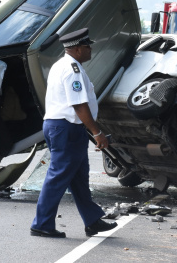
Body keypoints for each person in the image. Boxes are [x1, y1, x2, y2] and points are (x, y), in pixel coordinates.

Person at [31, 28, 118, 238]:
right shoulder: (72, 70)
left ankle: (92, 220)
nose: (91, 50)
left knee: (79, 177)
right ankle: (41, 224)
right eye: (88, 46)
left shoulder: (63, 65)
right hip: (66, 127)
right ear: (78, 49)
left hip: (62, 126)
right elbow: (79, 105)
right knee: (58, 176)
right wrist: (97, 133)